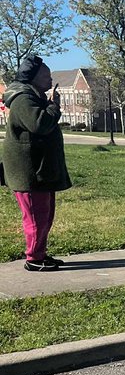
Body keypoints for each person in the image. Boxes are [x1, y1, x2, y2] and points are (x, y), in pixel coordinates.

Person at [1, 54, 71, 271]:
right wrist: (54, 106)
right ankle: (34, 259)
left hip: (41, 171)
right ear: (33, 78)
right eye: (46, 75)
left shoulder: (34, 97)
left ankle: (40, 254)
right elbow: (39, 124)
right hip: (29, 172)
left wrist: (50, 105)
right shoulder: (23, 99)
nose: (50, 79)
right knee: (35, 218)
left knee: (45, 216)